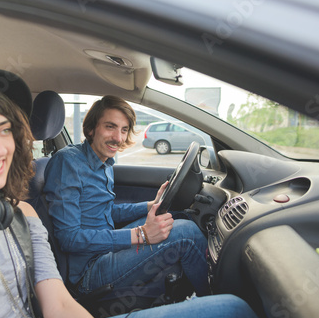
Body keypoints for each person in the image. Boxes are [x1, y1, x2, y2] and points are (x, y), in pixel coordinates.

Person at [0, 70, 260, 318]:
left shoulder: (19, 215)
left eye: (4, 130)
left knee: (233, 313)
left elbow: (61, 307)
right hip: (88, 269)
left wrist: (146, 208)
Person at [43, 95, 209, 299]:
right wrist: (141, 235)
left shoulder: (104, 162)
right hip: (88, 272)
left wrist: (150, 205)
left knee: (180, 216)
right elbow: (69, 238)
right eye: (110, 127)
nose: (118, 138)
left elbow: (106, 211)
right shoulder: (67, 163)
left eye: (123, 130)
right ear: (91, 129)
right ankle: (216, 303)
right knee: (187, 233)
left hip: (105, 250)